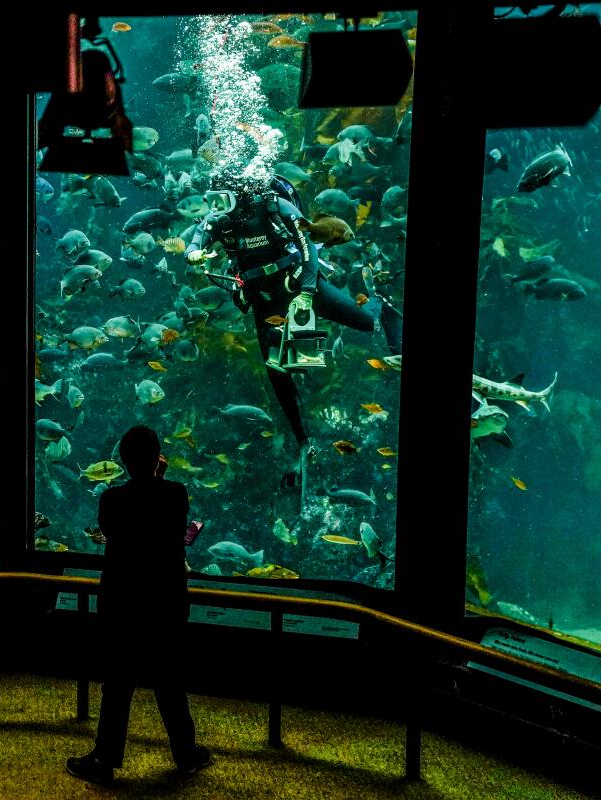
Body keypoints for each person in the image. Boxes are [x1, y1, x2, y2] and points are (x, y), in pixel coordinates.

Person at [184, 174, 402, 459]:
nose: (216, 207)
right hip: (264, 299)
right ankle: (304, 440)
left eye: (222, 199)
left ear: (240, 194)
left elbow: (308, 249)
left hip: (298, 284)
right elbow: (195, 240)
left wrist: (308, 293)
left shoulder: (277, 208)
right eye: (212, 201)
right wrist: (193, 255)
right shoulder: (219, 220)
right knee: (277, 372)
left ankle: (381, 307)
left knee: (365, 322)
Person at [66, 425, 211, 785]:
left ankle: (105, 758)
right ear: (158, 457)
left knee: (117, 684)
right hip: (165, 602)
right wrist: (158, 478)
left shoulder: (111, 500)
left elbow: (113, 532)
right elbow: (173, 526)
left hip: (123, 603)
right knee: (170, 681)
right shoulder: (176, 494)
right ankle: (186, 753)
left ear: (123, 462)